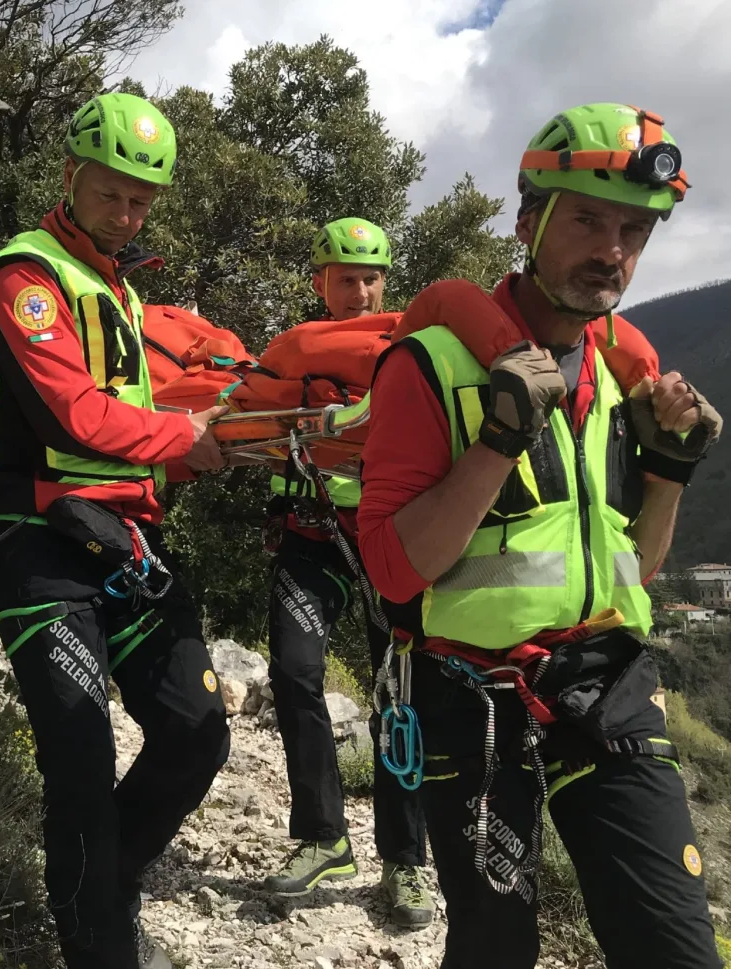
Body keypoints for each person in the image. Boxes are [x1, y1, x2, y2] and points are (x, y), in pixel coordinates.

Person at [357, 103, 722, 969]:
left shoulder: (620, 374)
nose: (613, 251)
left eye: (635, 229)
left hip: (611, 682)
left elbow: (633, 568)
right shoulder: (432, 364)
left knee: (676, 948)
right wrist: (496, 439)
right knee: (493, 951)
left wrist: (669, 474)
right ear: (529, 222)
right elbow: (393, 570)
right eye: (589, 220)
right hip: (472, 697)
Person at [0, 92, 230, 969]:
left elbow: (134, 415)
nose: (126, 212)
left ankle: (113, 878)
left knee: (199, 728)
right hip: (34, 535)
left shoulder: (114, 285)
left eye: (142, 200)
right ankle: (96, 948)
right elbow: (72, 414)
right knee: (80, 758)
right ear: (70, 176)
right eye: (111, 192)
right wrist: (189, 441)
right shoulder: (21, 276)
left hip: (121, 535)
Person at [262, 218, 432, 927]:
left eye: (370, 279)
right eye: (345, 278)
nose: (358, 291)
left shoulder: (407, 354)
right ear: (319, 283)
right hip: (308, 541)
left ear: (386, 283)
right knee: (296, 674)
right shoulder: (293, 353)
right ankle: (323, 836)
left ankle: (404, 860)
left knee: (397, 697)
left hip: (384, 546)